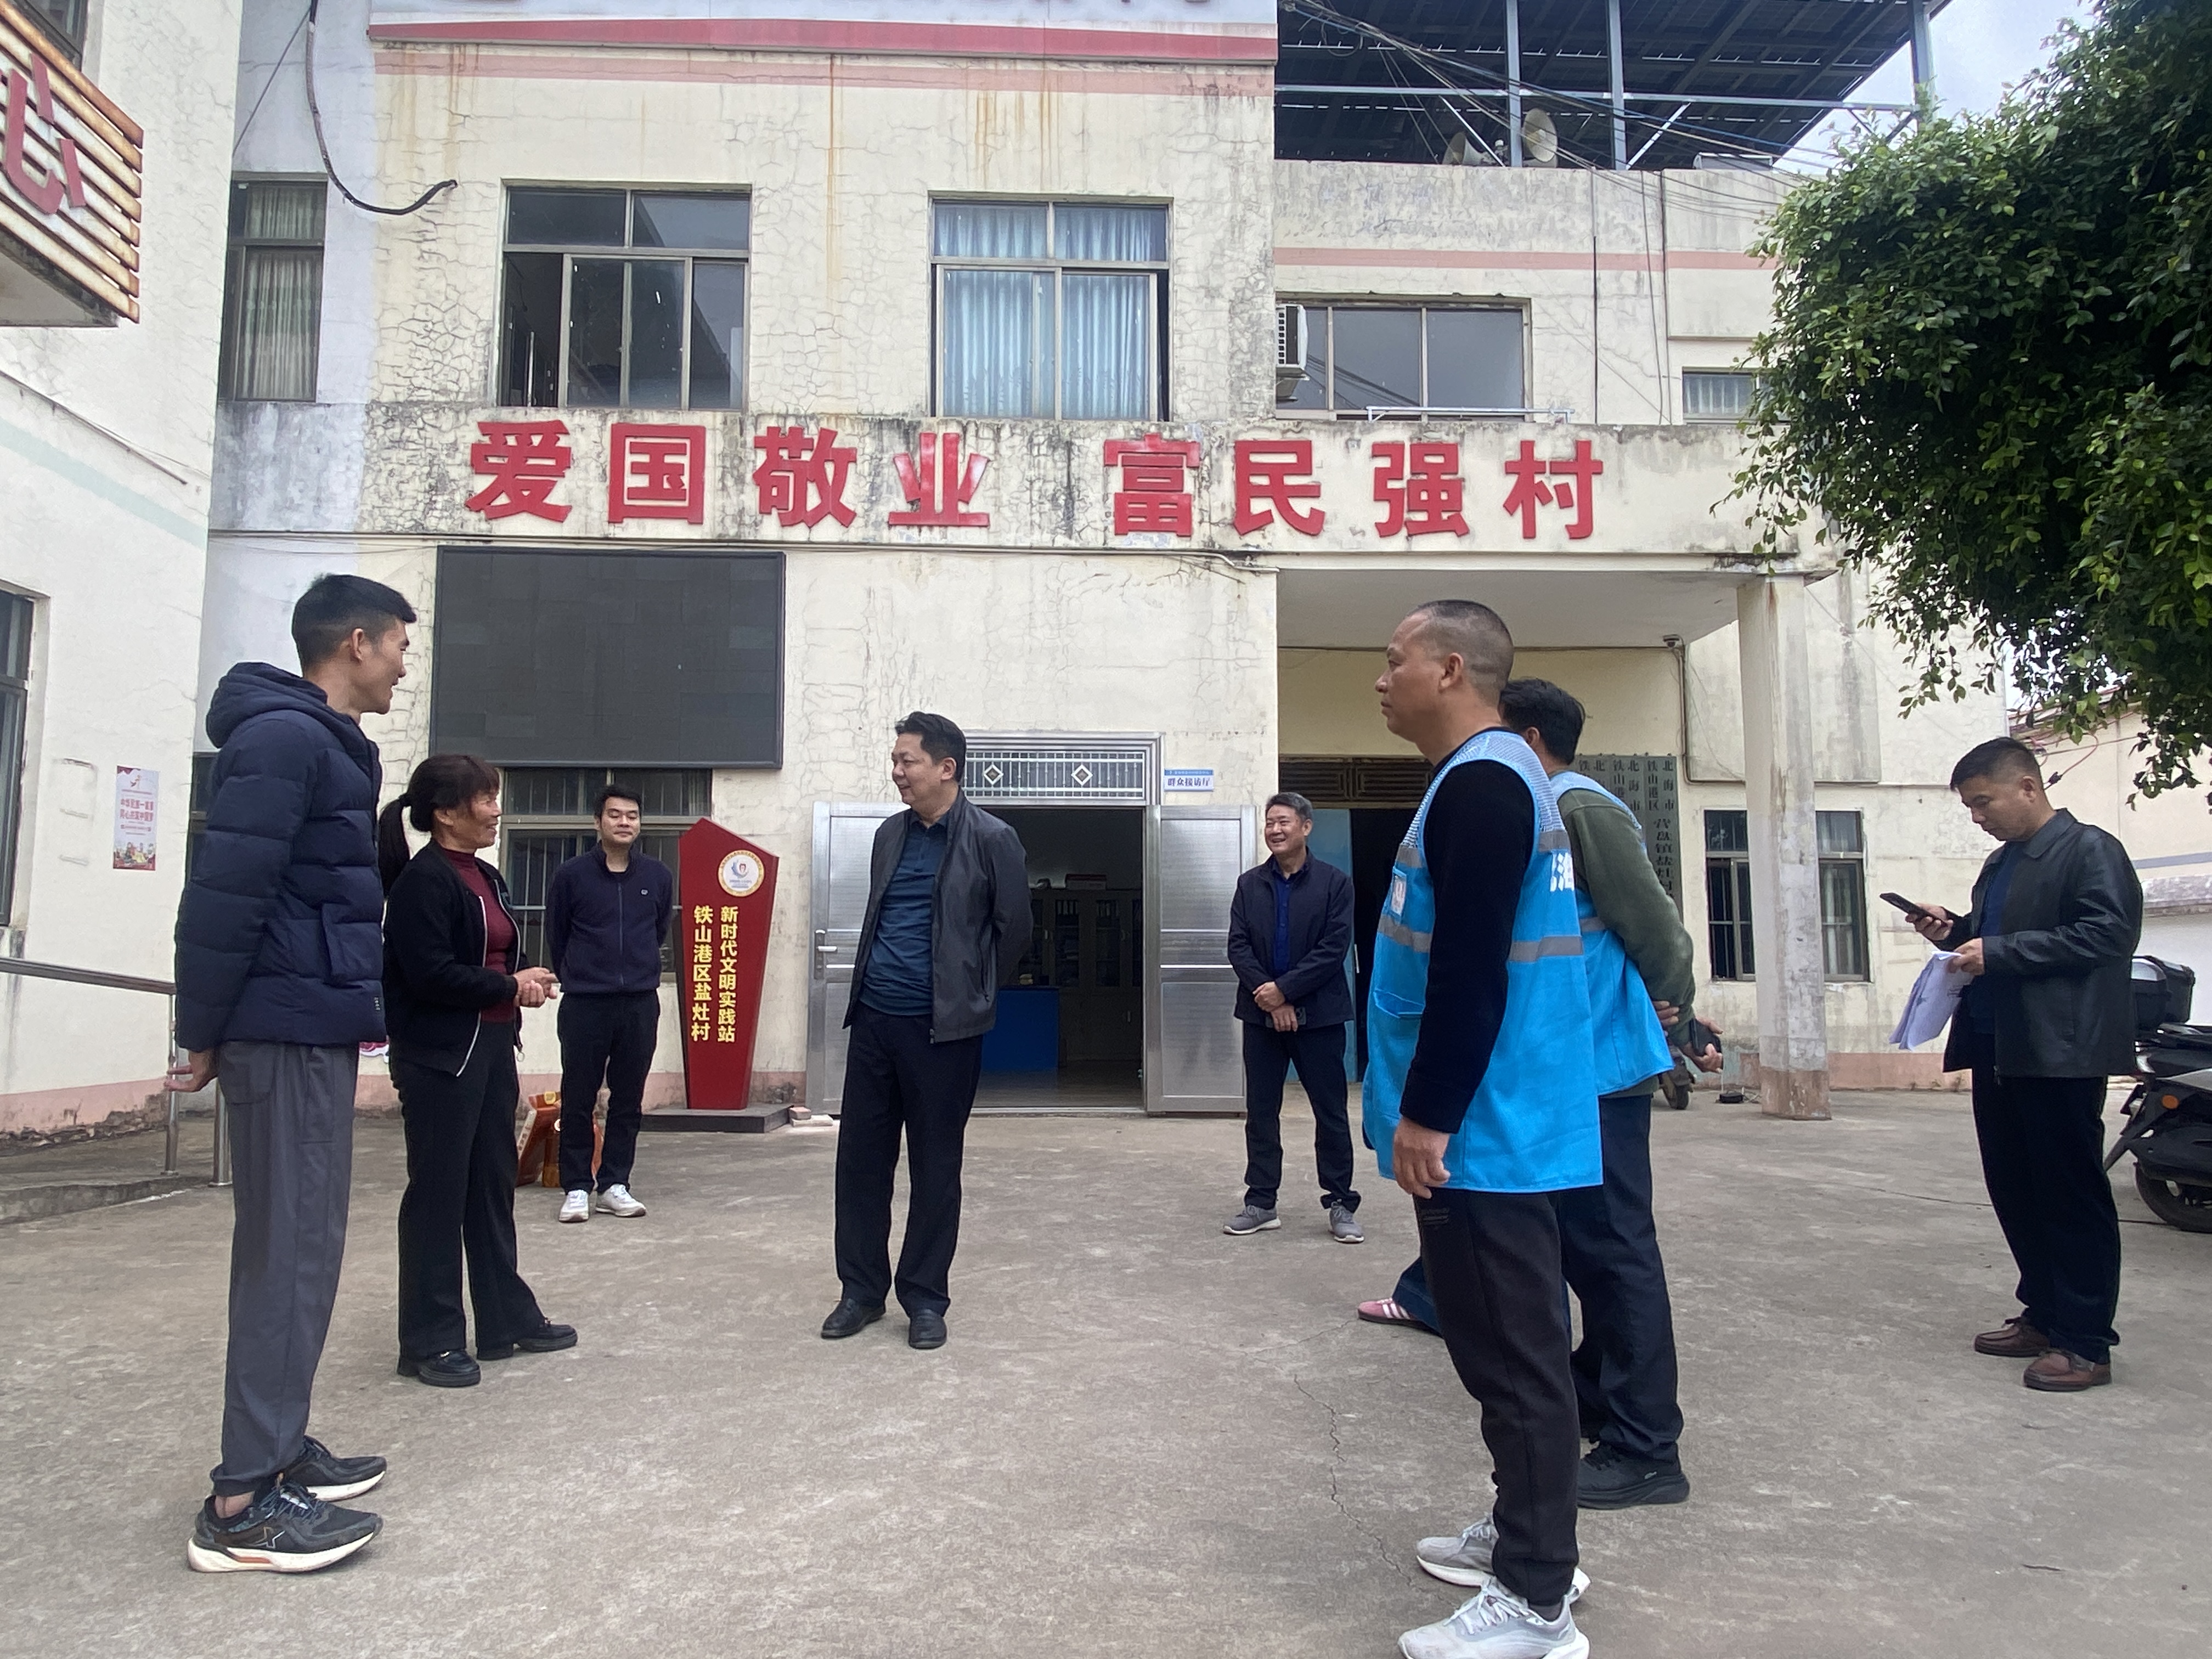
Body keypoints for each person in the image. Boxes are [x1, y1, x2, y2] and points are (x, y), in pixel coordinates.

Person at [1365, 601, 1600, 1659]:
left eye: (1395, 661)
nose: (1382, 679)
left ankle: (1536, 1598)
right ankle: (1524, 1535)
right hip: (1499, 1115)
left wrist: (1429, 1112)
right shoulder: (1490, 776)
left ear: (1451, 668)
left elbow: (1469, 968)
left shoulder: (1483, 784)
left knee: (1514, 1359)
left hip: (1485, 1126)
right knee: (1505, 1350)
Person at [174, 573, 414, 1574]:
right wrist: (200, 1029)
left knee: (308, 1246)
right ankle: (243, 1503)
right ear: (356, 643)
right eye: (398, 646)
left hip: (310, 1019)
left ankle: (277, 1448)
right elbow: (225, 891)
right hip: (281, 1024)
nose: (402, 665)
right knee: (288, 1252)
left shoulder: (323, 743)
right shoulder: (283, 739)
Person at [1912, 736, 2141, 1392]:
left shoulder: (2089, 850)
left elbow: (2108, 934)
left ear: (2027, 787)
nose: (1978, 816)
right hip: (1999, 1046)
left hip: (2059, 1051)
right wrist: (1956, 931)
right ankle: (2044, 1315)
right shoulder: (2001, 863)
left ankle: (2086, 1342)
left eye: (1984, 802)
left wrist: (2001, 952)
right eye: (1970, 806)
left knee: (2069, 1194)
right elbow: (1995, 938)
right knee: (2015, 1187)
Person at [822, 712, 1027, 1352]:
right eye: (896, 760)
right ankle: (861, 1291)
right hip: (874, 1022)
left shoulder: (992, 838)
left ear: (946, 767)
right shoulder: (890, 834)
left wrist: (971, 993)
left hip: (943, 1033)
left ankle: (925, 1299)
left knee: (936, 1169)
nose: (897, 772)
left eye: (906, 760)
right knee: (861, 1164)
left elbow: (1015, 931)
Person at [378, 754, 575, 1389]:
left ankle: (503, 1318)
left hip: (490, 1049)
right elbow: (430, 975)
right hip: (441, 1057)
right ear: (445, 813)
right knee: (438, 1194)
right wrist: (507, 984)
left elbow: (493, 959)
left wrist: (522, 981)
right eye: (486, 799)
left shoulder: (485, 875)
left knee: (492, 1186)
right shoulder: (422, 883)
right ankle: (429, 1341)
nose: (496, 811)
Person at [1223, 791, 1361, 1242]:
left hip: (1319, 1017)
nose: (1275, 830)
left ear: (1306, 826)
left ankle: (1340, 1202)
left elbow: (1333, 949)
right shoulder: (1249, 885)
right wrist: (1272, 998)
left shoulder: (1335, 884)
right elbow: (1238, 946)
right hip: (1261, 1016)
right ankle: (1261, 1202)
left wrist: (1286, 991)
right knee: (1262, 1112)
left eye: (1283, 821)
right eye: (1270, 823)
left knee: (1330, 1112)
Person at [546, 782, 675, 1223]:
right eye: (615, 815)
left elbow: (658, 930)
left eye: (632, 816)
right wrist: (580, 975)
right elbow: (558, 935)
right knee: (578, 1096)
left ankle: (615, 1184)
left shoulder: (657, 876)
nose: (624, 823)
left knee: (628, 1097)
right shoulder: (572, 876)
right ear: (598, 822)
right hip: (586, 1002)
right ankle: (576, 1186)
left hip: (638, 1002)